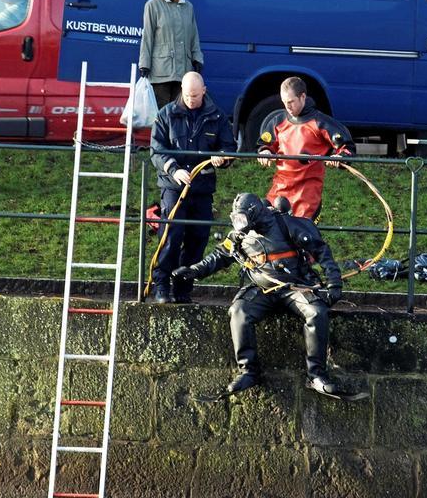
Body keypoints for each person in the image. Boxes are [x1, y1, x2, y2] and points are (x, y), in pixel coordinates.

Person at [172, 192, 343, 396]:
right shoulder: (240, 235)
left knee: (316, 312)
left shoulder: (286, 224)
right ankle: (248, 372)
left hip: (295, 287)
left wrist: (334, 283)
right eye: (236, 218)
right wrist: (193, 270)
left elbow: (321, 250)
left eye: (242, 218)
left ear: (253, 213)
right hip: (261, 289)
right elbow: (219, 257)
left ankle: (316, 375)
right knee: (239, 311)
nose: (239, 223)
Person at [149, 71, 235, 303]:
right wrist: (173, 168)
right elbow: (156, 150)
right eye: (187, 95)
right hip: (174, 187)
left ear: (204, 91)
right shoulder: (166, 115)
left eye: (195, 96)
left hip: (202, 187)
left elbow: (229, 147)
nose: (191, 100)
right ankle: (161, 286)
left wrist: (222, 157)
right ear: (182, 92)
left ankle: (183, 287)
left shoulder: (216, 116)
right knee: (171, 236)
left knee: (198, 238)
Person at [257, 76, 356, 220]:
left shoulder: (320, 122)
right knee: (269, 230)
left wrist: (340, 158)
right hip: (280, 188)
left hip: (307, 192)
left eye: (291, 102)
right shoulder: (278, 121)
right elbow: (264, 144)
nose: (288, 107)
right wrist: (265, 151)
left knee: (300, 235)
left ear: (303, 97)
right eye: (284, 102)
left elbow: (347, 147)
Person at [139, 0, 203, 109]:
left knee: (178, 113)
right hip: (160, 70)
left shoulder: (188, 7)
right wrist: (144, 64)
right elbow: (147, 37)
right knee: (162, 114)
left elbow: (194, 35)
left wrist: (197, 58)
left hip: (183, 71)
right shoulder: (152, 5)